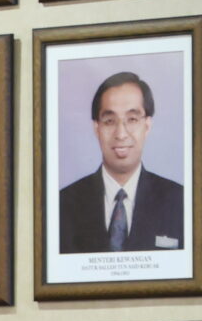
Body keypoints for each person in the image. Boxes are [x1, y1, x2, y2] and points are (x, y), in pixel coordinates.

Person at [57, 72, 187, 256]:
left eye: (132, 119)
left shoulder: (181, 202)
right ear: (96, 128)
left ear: (147, 125)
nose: (121, 134)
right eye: (109, 121)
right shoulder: (62, 205)